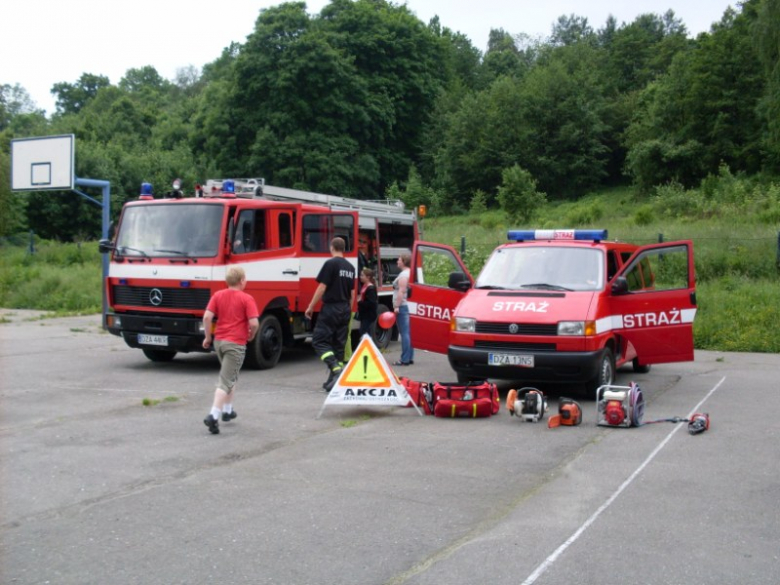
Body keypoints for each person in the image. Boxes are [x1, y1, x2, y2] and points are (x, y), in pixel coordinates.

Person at [202, 266, 259, 435]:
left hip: (219, 341)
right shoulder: (247, 298)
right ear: (242, 281)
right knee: (225, 381)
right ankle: (213, 415)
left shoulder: (218, 295)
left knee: (230, 375)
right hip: (235, 343)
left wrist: (207, 337)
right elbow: (254, 322)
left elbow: (207, 317)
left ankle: (228, 410)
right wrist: (252, 334)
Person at [305, 237, 357, 392]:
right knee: (338, 345)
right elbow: (353, 293)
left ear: (332, 247)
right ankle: (334, 381)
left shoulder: (331, 264)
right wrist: (349, 309)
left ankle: (335, 369)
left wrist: (311, 306)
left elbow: (322, 287)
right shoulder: (350, 267)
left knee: (318, 341)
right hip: (345, 308)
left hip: (331, 308)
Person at [393, 252, 414, 366]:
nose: (397, 261)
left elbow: (401, 291)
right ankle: (409, 357)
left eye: (399, 259)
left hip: (403, 306)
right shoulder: (410, 273)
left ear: (404, 261)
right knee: (408, 333)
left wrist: (397, 306)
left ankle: (405, 359)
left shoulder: (403, 275)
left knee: (404, 333)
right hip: (407, 305)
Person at [356, 267, 378, 339]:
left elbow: (371, 303)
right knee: (365, 332)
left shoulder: (370, 288)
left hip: (368, 315)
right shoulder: (365, 286)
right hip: (364, 314)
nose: (360, 277)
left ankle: (368, 347)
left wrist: (359, 302)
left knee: (363, 332)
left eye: (362, 275)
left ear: (368, 277)